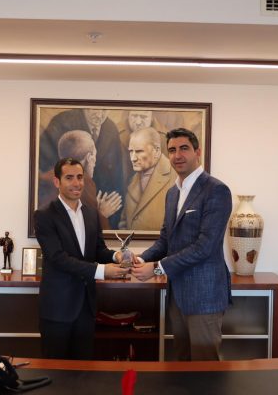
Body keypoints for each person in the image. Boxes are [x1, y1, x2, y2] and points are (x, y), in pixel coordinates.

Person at [131, 128, 232, 361]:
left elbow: (204, 247)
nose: (177, 155)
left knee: (205, 368)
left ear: (198, 152)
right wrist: (141, 258)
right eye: (172, 150)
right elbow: (165, 240)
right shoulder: (172, 194)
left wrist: (157, 268)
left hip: (204, 296)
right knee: (182, 366)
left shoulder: (216, 190)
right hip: (177, 296)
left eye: (184, 148)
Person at [34, 158, 130, 360]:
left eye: (80, 177)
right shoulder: (44, 215)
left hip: (86, 308)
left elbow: (98, 250)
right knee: (55, 371)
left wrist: (116, 255)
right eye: (69, 178)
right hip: (58, 309)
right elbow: (58, 258)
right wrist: (102, 271)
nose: (76, 183)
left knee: (84, 370)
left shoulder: (91, 214)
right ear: (57, 182)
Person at [38, 108, 124, 228]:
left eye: (104, 110)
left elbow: (116, 174)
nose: (99, 114)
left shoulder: (110, 129)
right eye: (95, 109)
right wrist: (101, 215)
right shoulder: (61, 122)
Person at [119, 127, 177, 231]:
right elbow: (124, 222)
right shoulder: (133, 180)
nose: (133, 158)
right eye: (131, 151)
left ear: (156, 151)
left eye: (139, 151)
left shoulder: (176, 177)